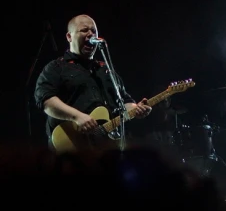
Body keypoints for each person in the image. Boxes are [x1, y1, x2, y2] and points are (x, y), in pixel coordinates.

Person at [34, 14, 152, 148]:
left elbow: (124, 101)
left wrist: (136, 109)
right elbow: (46, 100)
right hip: (72, 145)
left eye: (94, 31)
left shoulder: (106, 70)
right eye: (84, 30)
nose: (91, 34)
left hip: (106, 147)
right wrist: (76, 117)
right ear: (69, 37)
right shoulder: (56, 67)